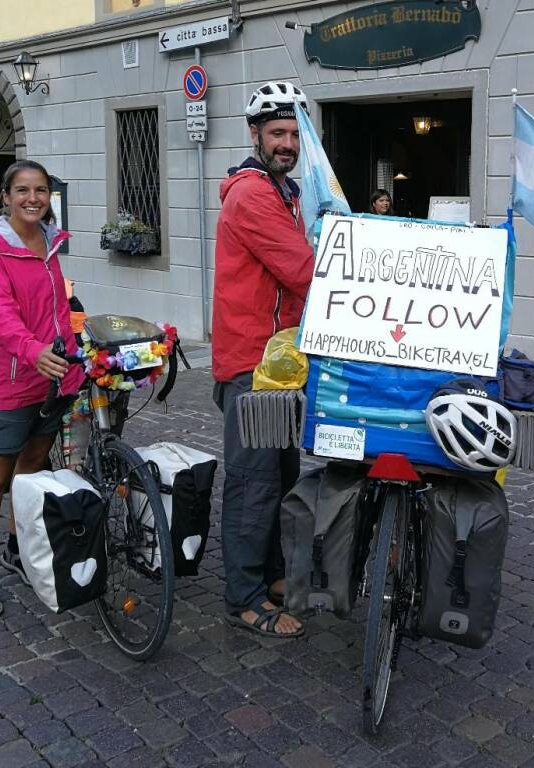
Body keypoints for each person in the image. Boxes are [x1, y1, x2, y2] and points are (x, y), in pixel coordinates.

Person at [211, 81, 315, 638]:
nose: (287, 143)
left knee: (281, 474)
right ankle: (244, 596)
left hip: (280, 363)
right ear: (255, 135)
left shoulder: (288, 192)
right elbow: (303, 269)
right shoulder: (253, 195)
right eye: (277, 133)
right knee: (254, 482)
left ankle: (273, 573)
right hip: (251, 363)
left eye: (296, 134)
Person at [0, 160, 83, 617]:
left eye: (41, 190)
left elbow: (58, 313)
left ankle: (15, 549)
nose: (32, 198)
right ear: (6, 196)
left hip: (51, 379)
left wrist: (76, 362)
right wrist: (32, 351)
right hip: (9, 382)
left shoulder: (52, 242)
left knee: (32, 471)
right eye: (23, 190)